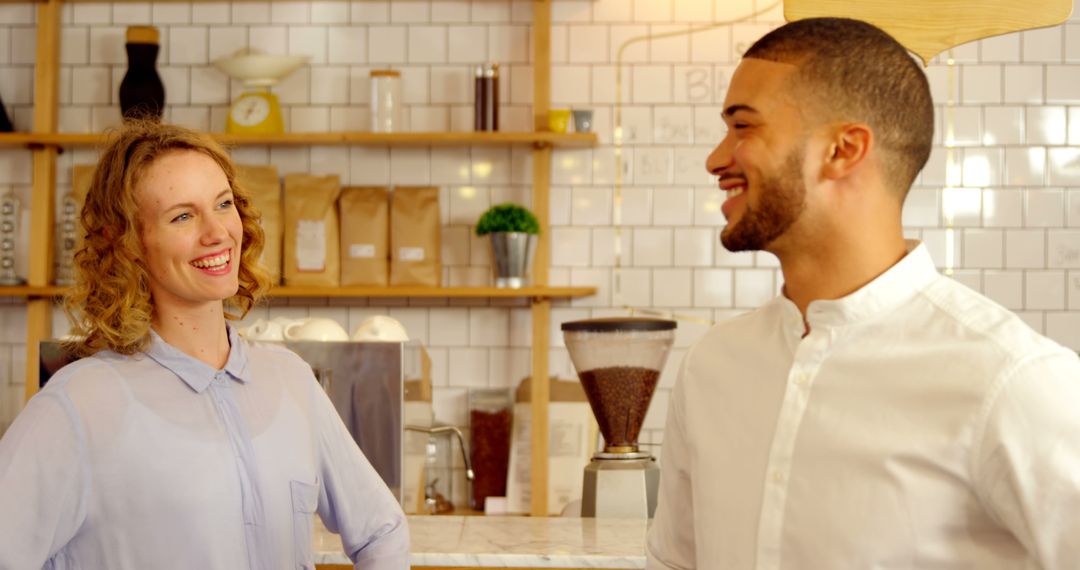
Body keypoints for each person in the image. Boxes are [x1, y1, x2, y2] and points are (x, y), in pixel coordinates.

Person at [646, 17, 1080, 569]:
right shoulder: (714, 365)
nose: (716, 158)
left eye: (743, 127)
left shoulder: (1011, 378)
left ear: (843, 149)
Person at [0, 121, 409, 569]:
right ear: (129, 243)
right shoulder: (77, 406)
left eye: (223, 204)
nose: (217, 232)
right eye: (183, 216)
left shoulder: (290, 380)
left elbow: (381, 531)